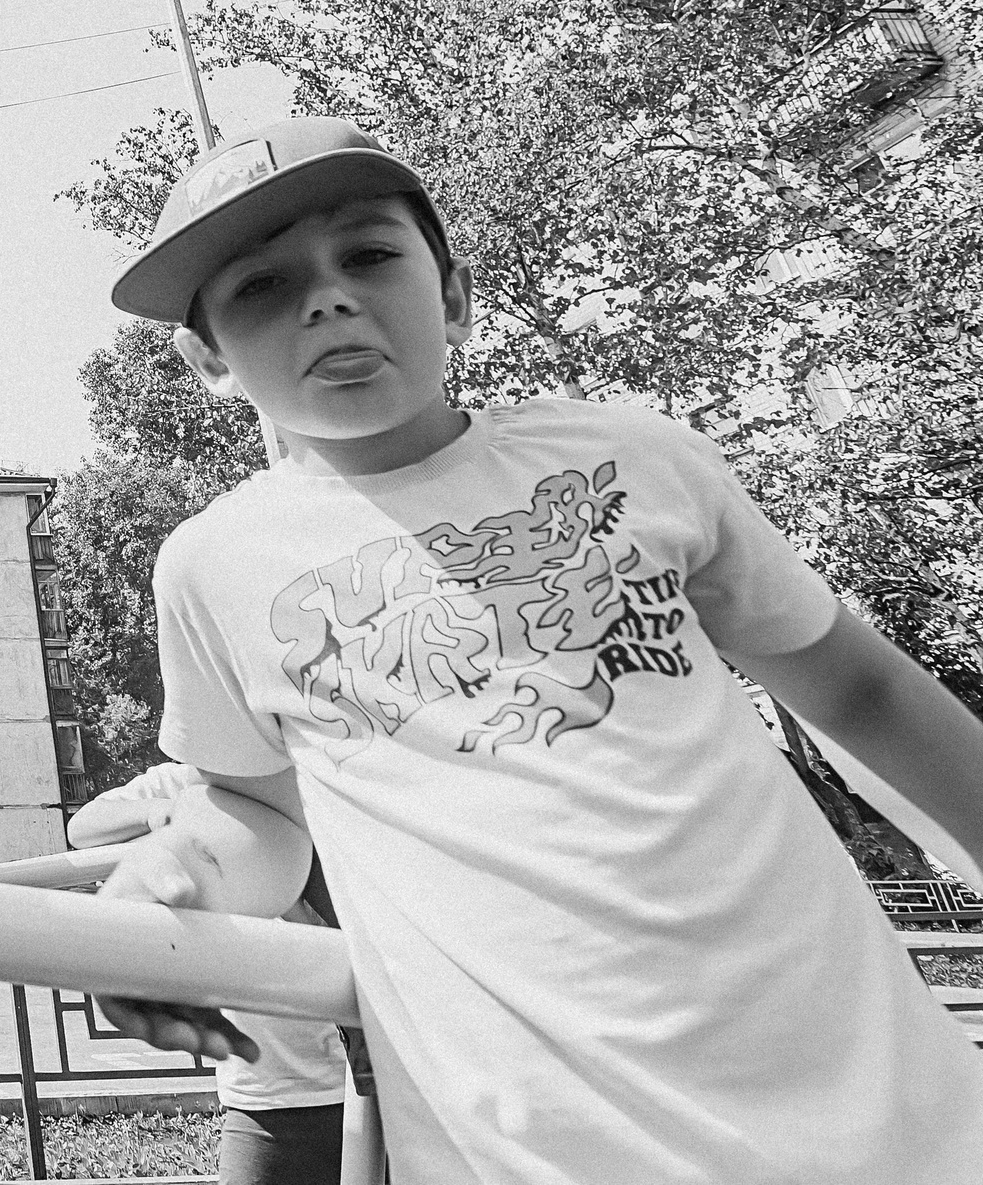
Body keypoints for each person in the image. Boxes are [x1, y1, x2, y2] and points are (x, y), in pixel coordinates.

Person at [82, 116, 983, 1181]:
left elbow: (861, 691)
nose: (327, 298)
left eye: (368, 255)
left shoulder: (636, 457)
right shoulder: (212, 565)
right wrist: (160, 893)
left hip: (870, 1103)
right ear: (206, 361)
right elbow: (257, 812)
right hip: (530, 1146)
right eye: (260, 288)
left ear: (454, 298)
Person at [71, 763, 345, 1185]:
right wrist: (167, 814)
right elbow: (84, 825)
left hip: (372, 1081)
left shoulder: (330, 786)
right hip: (265, 1092)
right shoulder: (186, 779)